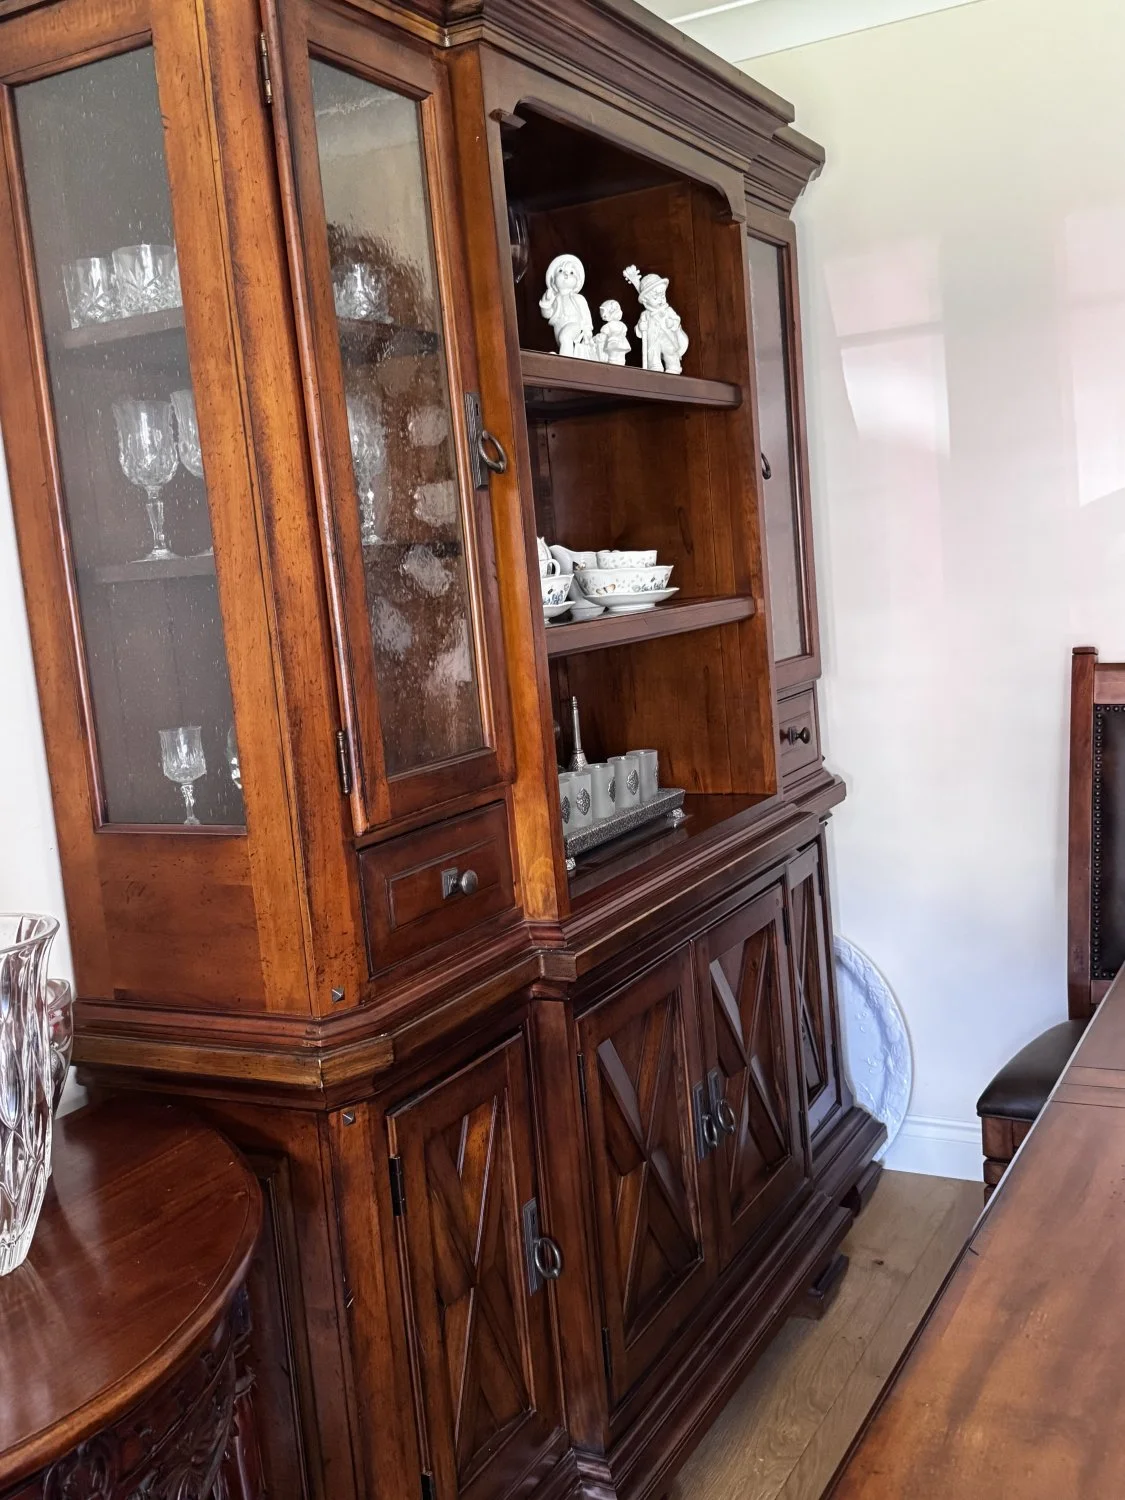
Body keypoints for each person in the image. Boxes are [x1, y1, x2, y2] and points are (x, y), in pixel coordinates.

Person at [623, 264, 689, 373]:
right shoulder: (645, 315)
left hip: (667, 338)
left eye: (662, 295)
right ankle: (654, 367)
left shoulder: (667, 310)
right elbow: (639, 331)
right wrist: (640, 327)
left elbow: (676, 320)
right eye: (655, 297)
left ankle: (673, 367)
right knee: (652, 353)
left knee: (670, 352)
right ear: (645, 301)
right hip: (653, 340)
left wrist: (672, 323)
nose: (660, 299)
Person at [539, 253, 596, 359]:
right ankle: (563, 358)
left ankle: (565, 363)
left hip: (574, 324)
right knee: (563, 343)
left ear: (577, 281)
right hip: (558, 325)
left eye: (571, 273)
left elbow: (585, 314)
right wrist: (546, 302)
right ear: (553, 280)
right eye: (560, 271)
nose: (566, 274)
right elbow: (547, 314)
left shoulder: (578, 298)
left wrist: (588, 330)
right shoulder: (555, 298)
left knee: (565, 337)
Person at [594, 299, 631, 364]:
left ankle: (612, 362)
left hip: (613, 343)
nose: (602, 315)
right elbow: (624, 333)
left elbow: (602, 336)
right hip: (622, 343)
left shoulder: (608, 326)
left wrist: (596, 338)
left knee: (612, 356)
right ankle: (620, 362)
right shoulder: (622, 325)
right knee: (620, 355)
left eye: (603, 312)